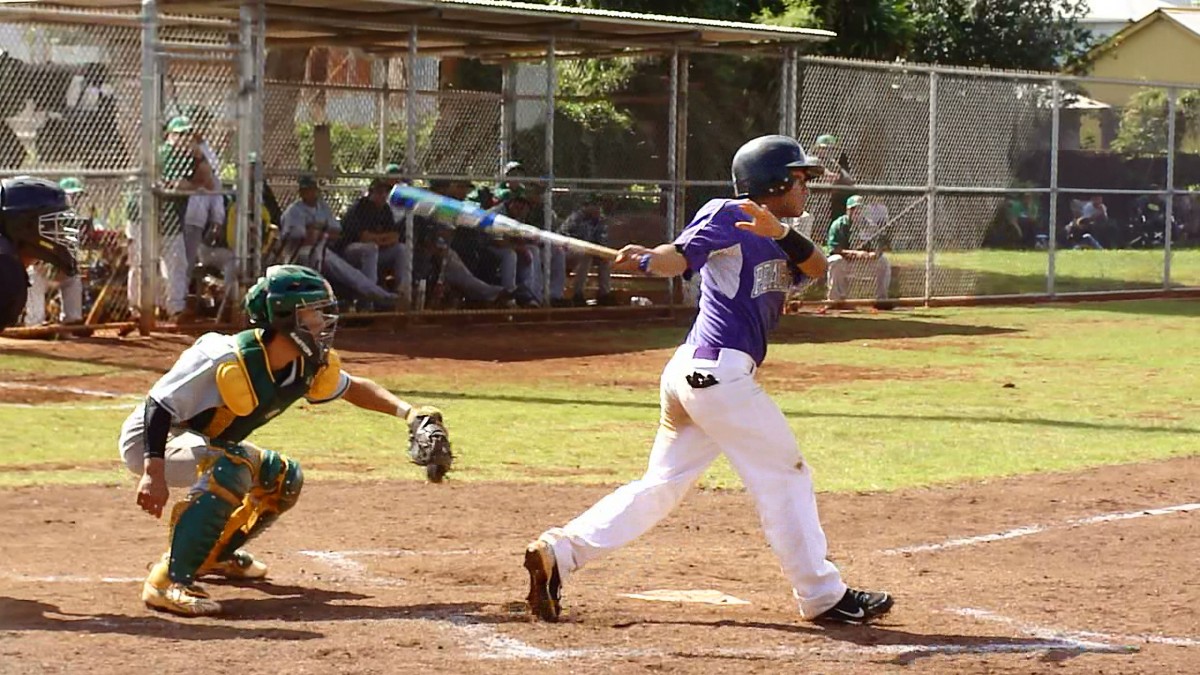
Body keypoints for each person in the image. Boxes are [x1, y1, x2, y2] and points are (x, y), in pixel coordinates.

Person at [522, 135, 894, 625]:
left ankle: (559, 553)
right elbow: (681, 255)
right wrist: (653, 260)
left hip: (701, 376)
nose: (808, 187)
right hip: (716, 374)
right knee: (786, 475)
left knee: (660, 486)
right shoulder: (729, 213)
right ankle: (823, 595)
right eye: (800, 178)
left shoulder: (784, 236)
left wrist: (778, 232)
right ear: (775, 181)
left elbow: (817, 266)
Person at [117, 264, 451, 616]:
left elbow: (353, 388)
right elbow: (159, 405)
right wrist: (153, 471)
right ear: (285, 317)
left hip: (199, 442)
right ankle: (168, 581)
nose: (323, 321)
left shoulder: (304, 364)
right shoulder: (224, 355)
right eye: (313, 312)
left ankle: (210, 554)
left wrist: (409, 414)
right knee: (234, 466)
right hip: (151, 441)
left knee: (284, 478)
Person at [279, 175, 397, 309]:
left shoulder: (322, 206)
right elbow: (302, 238)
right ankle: (381, 296)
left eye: (312, 189)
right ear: (300, 192)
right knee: (346, 271)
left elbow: (336, 232)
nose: (311, 193)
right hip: (299, 255)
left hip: (321, 250)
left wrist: (318, 230)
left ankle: (376, 297)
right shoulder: (294, 211)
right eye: (306, 190)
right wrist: (321, 231)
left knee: (351, 273)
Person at [0, 177, 82, 328]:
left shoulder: (8, 264)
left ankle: (71, 319)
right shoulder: (7, 271)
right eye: (49, 225)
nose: (58, 233)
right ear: (23, 225)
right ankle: (35, 321)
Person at [336, 178, 412, 307]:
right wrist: (383, 239)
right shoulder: (360, 207)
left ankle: (401, 293)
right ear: (371, 193)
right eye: (379, 192)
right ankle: (369, 298)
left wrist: (378, 239)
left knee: (401, 249)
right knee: (370, 248)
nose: (383, 195)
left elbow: (395, 236)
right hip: (351, 252)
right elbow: (364, 237)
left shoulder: (385, 209)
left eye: (385, 192)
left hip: (376, 251)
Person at [23, 177, 86, 327]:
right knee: (33, 278)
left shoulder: (74, 223)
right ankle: (34, 323)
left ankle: (72, 320)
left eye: (77, 197)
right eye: (71, 196)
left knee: (73, 278)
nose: (74, 201)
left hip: (58, 269)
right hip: (41, 270)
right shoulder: (43, 218)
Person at [825, 194, 893, 310]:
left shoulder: (869, 225)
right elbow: (834, 249)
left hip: (863, 263)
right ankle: (835, 301)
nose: (857, 212)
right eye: (853, 209)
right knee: (836, 260)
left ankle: (881, 300)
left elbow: (880, 245)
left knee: (883, 261)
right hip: (845, 262)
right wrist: (855, 253)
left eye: (859, 209)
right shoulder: (839, 225)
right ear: (848, 210)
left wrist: (875, 254)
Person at [561, 194, 614, 306]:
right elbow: (566, 236)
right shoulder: (576, 218)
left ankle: (604, 294)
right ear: (586, 206)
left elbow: (602, 239)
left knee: (605, 259)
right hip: (568, 251)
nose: (597, 208)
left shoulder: (600, 220)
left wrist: (602, 252)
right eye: (594, 205)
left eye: (599, 205)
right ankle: (578, 294)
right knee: (586, 256)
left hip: (590, 251)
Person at [812, 134, 855, 224]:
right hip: (812, 199)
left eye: (829, 149)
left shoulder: (832, 162)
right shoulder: (812, 160)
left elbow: (847, 180)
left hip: (827, 202)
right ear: (817, 148)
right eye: (823, 149)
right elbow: (828, 176)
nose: (827, 151)